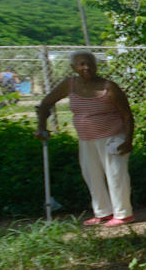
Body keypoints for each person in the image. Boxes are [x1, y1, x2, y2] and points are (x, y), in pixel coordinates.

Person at [35, 52, 135, 226]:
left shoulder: (109, 87)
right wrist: (41, 127)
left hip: (112, 138)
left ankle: (123, 214)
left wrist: (128, 141)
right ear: (74, 67)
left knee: (116, 175)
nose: (86, 67)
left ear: (96, 66)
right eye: (81, 64)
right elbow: (46, 103)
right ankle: (102, 212)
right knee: (91, 175)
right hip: (86, 139)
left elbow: (127, 115)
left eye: (90, 64)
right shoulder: (69, 84)